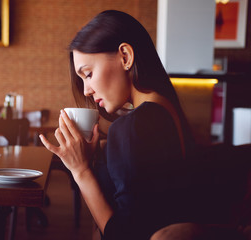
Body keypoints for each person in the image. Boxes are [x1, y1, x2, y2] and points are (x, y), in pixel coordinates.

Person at [39, 10, 199, 239]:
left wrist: (80, 170)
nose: (86, 90)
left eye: (88, 74)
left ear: (125, 56)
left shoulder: (130, 128)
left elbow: (123, 235)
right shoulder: (168, 110)